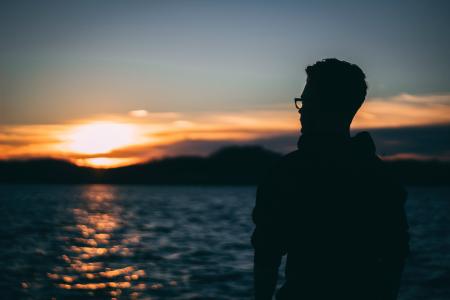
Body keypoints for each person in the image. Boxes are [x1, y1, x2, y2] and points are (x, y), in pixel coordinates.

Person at [251, 58, 410, 300]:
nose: (301, 109)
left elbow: (267, 255)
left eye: (306, 101)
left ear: (326, 106)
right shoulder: (381, 177)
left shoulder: (288, 173)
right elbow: (394, 258)